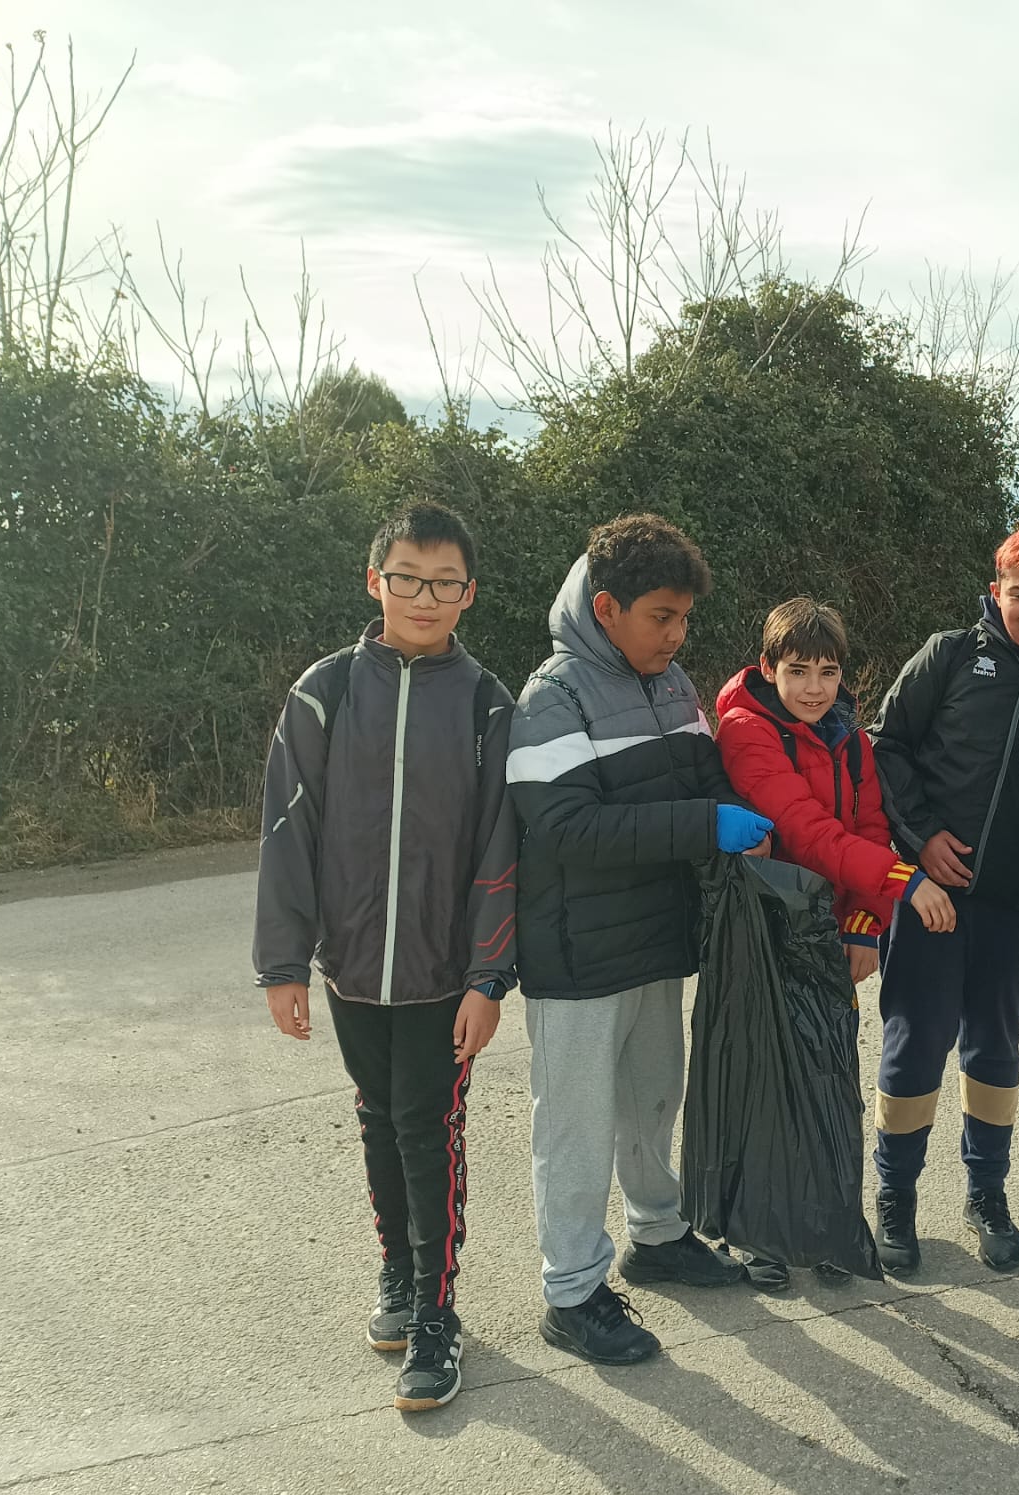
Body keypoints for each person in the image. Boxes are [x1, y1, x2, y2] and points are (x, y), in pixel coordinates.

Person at [253, 500, 518, 1413]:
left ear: (468, 595)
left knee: (428, 1127)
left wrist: (488, 978)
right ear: (376, 580)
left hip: (446, 977)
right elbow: (289, 831)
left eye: (444, 583)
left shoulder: (488, 705)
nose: (424, 596)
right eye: (407, 577)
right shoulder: (325, 691)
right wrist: (285, 962)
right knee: (378, 1119)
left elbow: (499, 847)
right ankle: (399, 1278)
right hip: (353, 968)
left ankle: (438, 1315)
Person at [509, 514, 770, 1367]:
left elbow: (704, 777)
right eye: (662, 616)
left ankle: (657, 1236)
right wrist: (706, 822)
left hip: (657, 941)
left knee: (656, 1093)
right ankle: (571, 1289)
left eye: (686, 619)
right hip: (579, 957)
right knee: (576, 1124)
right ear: (608, 606)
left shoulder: (670, 682)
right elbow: (567, 830)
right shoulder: (555, 695)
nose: (677, 634)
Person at [711, 596, 957, 1288]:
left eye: (826, 672)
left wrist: (867, 923)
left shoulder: (849, 733)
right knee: (764, 1082)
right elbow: (809, 829)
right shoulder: (744, 730)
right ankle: (758, 1230)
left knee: (826, 1083)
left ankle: (823, 1226)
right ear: (768, 668)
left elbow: (870, 825)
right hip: (763, 927)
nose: (813, 688)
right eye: (797, 671)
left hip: (828, 926)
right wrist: (906, 884)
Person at [869, 523, 1019, 1274]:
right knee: (915, 1044)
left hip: (1018, 907)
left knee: (996, 1049)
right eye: (1018, 593)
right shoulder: (951, 654)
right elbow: (885, 746)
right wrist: (921, 841)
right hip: (932, 897)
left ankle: (985, 1194)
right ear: (995, 592)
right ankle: (894, 1197)